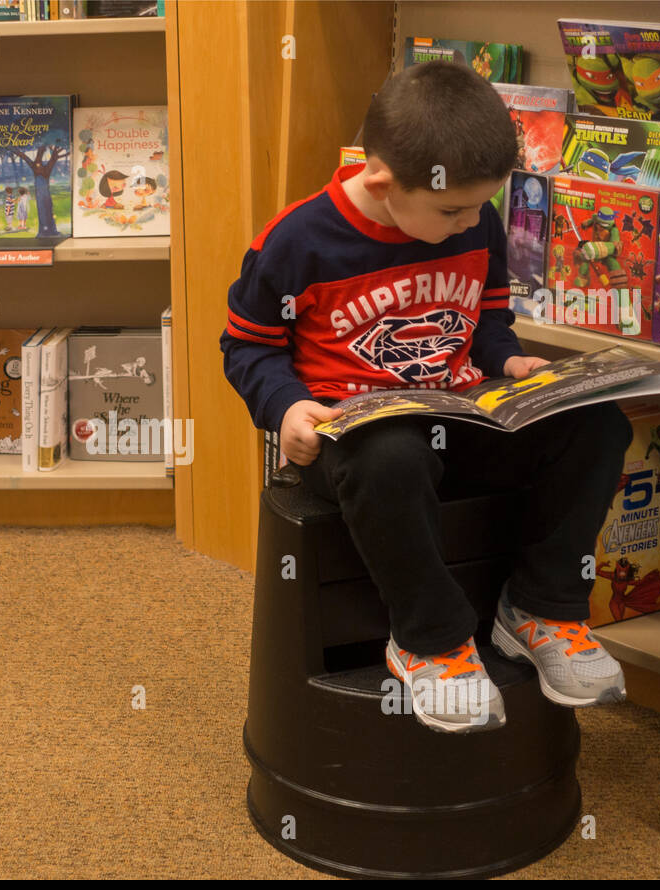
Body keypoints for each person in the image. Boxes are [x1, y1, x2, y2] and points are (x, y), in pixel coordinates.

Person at [221, 60, 634, 734]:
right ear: (383, 183)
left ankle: (540, 606)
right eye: (454, 210)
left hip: (458, 413)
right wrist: (287, 406)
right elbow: (248, 346)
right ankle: (431, 639)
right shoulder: (296, 243)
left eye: (481, 205)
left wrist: (510, 359)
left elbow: (486, 320)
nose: (473, 220)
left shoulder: (476, 220)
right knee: (390, 455)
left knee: (595, 424)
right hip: (349, 441)